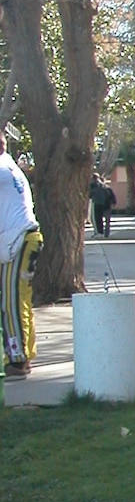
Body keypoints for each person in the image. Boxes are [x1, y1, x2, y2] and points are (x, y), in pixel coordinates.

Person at [0, 133, 42, 379]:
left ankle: (17, 358)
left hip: (18, 241)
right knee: (19, 299)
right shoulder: (9, 166)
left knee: (11, 301)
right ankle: (23, 354)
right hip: (24, 239)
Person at [89, 171, 116, 237]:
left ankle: (99, 232)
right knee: (106, 220)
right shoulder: (105, 186)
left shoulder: (94, 185)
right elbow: (111, 195)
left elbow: (90, 194)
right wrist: (113, 202)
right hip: (106, 205)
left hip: (97, 203)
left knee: (96, 218)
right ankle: (105, 233)